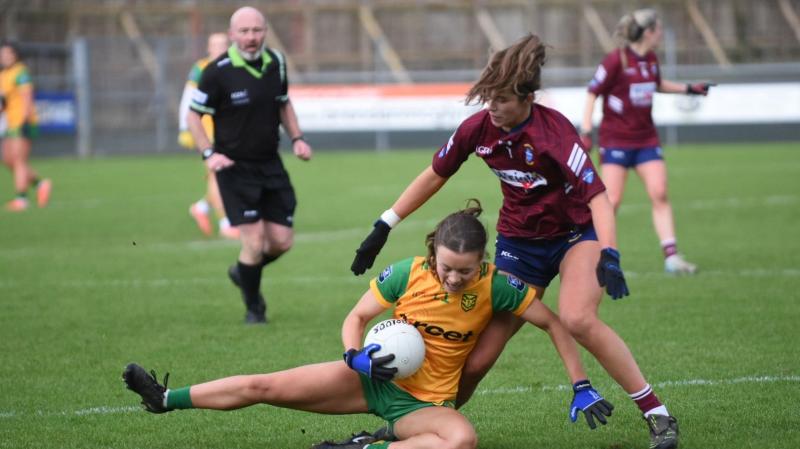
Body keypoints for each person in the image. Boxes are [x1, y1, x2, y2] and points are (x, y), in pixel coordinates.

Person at [349, 34, 679, 449]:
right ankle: (416, 423)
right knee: (477, 357)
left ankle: (658, 415)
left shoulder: (554, 133)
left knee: (577, 317)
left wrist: (609, 253)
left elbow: (597, 196)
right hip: (520, 244)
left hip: (577, 234)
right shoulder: (478, 128)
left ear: (527, 97)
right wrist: (385, 223)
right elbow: (436, 173)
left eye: (502, 98)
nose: (492, 106)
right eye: (488, 97)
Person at [123, 200, 613, 449]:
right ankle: (165, 399)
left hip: (424, 402)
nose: (453, 278)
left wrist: (581, 383)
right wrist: (353, 355)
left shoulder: (495, 286)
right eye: (446, 267)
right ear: (432, 254)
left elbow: (555, 324)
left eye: (464, 270)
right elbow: (356, 317)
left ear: (482, 263)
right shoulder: (406, 273)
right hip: (368, 378)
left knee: (462, 439)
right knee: (262, 384)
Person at [187, 6, 312, 324]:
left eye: (257, 30)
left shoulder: (277, 62)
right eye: (244, 31)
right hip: (235, 168)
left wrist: (297, 137)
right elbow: (193, 115)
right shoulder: (217, 71)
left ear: (265, 31)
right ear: (232, 35)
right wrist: (208, 153)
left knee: (282, 241)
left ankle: (243, 271)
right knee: (254, 241)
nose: (251, 37)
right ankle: (254, 308)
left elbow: (283, 103)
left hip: (271, 164)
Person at [580, 8, 713, 275]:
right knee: (612, 200)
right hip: (615, 141)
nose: (661, 34)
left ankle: (672, 258)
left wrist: (689, 89)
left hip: (645, 139)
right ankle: (597, 256)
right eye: (659, 29)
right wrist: (585, 131)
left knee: (660, 192)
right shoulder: (615, 61)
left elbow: (657, 84)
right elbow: (592, 93)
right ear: (648, 32)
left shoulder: (651, 59)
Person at [178, 32, 239, 239]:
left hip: (232, 131)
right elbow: (188, 100)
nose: (220, 48)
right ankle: (226, 223)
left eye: (224, 45)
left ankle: (202, 207)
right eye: (216, 45)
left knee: (232, 175)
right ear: (208, 48)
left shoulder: (235, 65)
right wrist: (185, 129)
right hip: (208, 133)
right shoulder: (200, 69)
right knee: (218, 175)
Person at [0, 41, 51, 212]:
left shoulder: (21, 72)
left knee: (19, 160)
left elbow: (27, 98)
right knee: (7, 159)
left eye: (8, 53)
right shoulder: (3, 74)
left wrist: (24, 121)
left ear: (15, 55)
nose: (4, 57)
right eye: (2, 54)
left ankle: (21, 199)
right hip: (9, 122)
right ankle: (40, 184)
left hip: (23, 121)